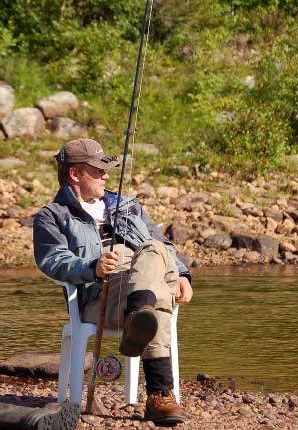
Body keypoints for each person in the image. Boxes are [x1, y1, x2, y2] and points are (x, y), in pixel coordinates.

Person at [33, 138, 193, 425]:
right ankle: (159, 395)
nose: (106, 175)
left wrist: (182, 274)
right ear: (75, 174)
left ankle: (137, 315)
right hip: (100, 296)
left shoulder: (128, 206)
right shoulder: (53, 216)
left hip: (142, 282)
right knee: (154, 296)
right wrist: (91, 267)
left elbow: (163, 244)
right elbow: (53, 261)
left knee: (153, 250)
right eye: (98, 170)